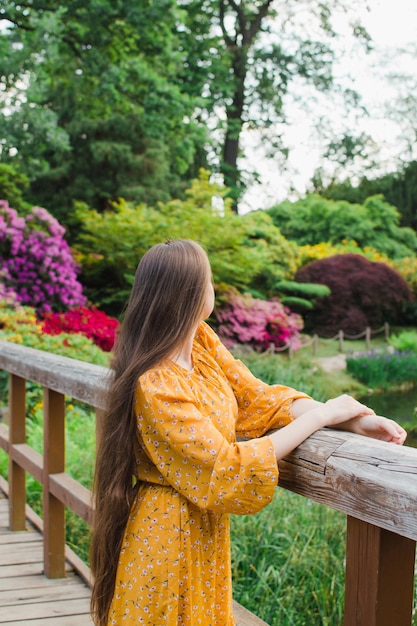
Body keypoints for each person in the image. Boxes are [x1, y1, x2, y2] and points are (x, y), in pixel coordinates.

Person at [90, 239, 406, 626]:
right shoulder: (156, 384)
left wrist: (349, 418)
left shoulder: (201, 342)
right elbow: (224, 466)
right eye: (208, 279)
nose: (213, 288)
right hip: (167, 534)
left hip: (201, 529)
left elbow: (257, 397)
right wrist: (322, 417)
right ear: (189, 294)